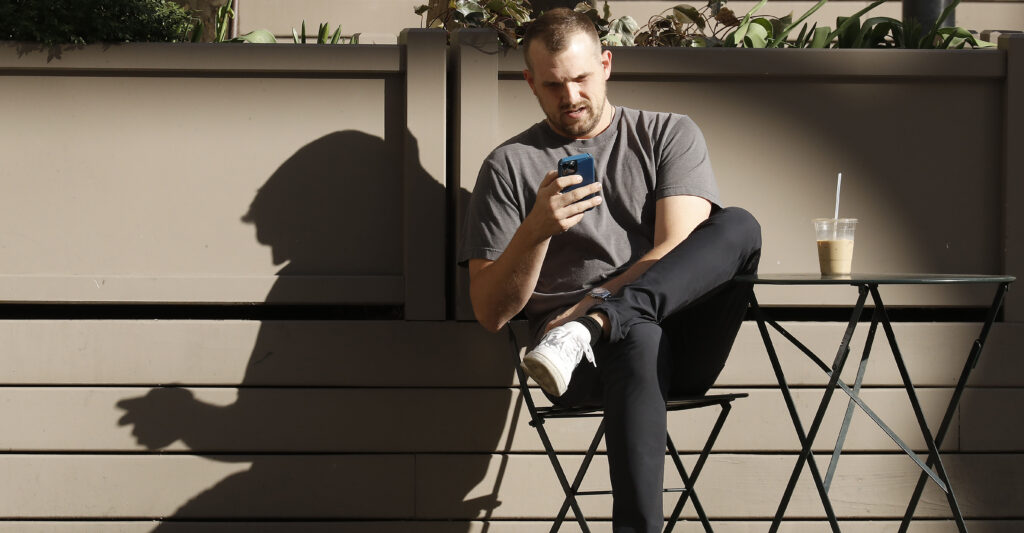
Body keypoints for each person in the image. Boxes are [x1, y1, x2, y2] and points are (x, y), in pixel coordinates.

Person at [457, 8, 762, 532]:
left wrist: (592, 309)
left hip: (683, 342)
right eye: (553, 85)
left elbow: (676, 249)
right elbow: (489, 313)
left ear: (606, 64)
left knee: (739, 225)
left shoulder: (669, 135)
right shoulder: (508, 166)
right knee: (635, 335)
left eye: (580, 78)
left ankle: (598, 322)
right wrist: (535, 230)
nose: (570, 96)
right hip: (578, 368)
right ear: (530, 82)